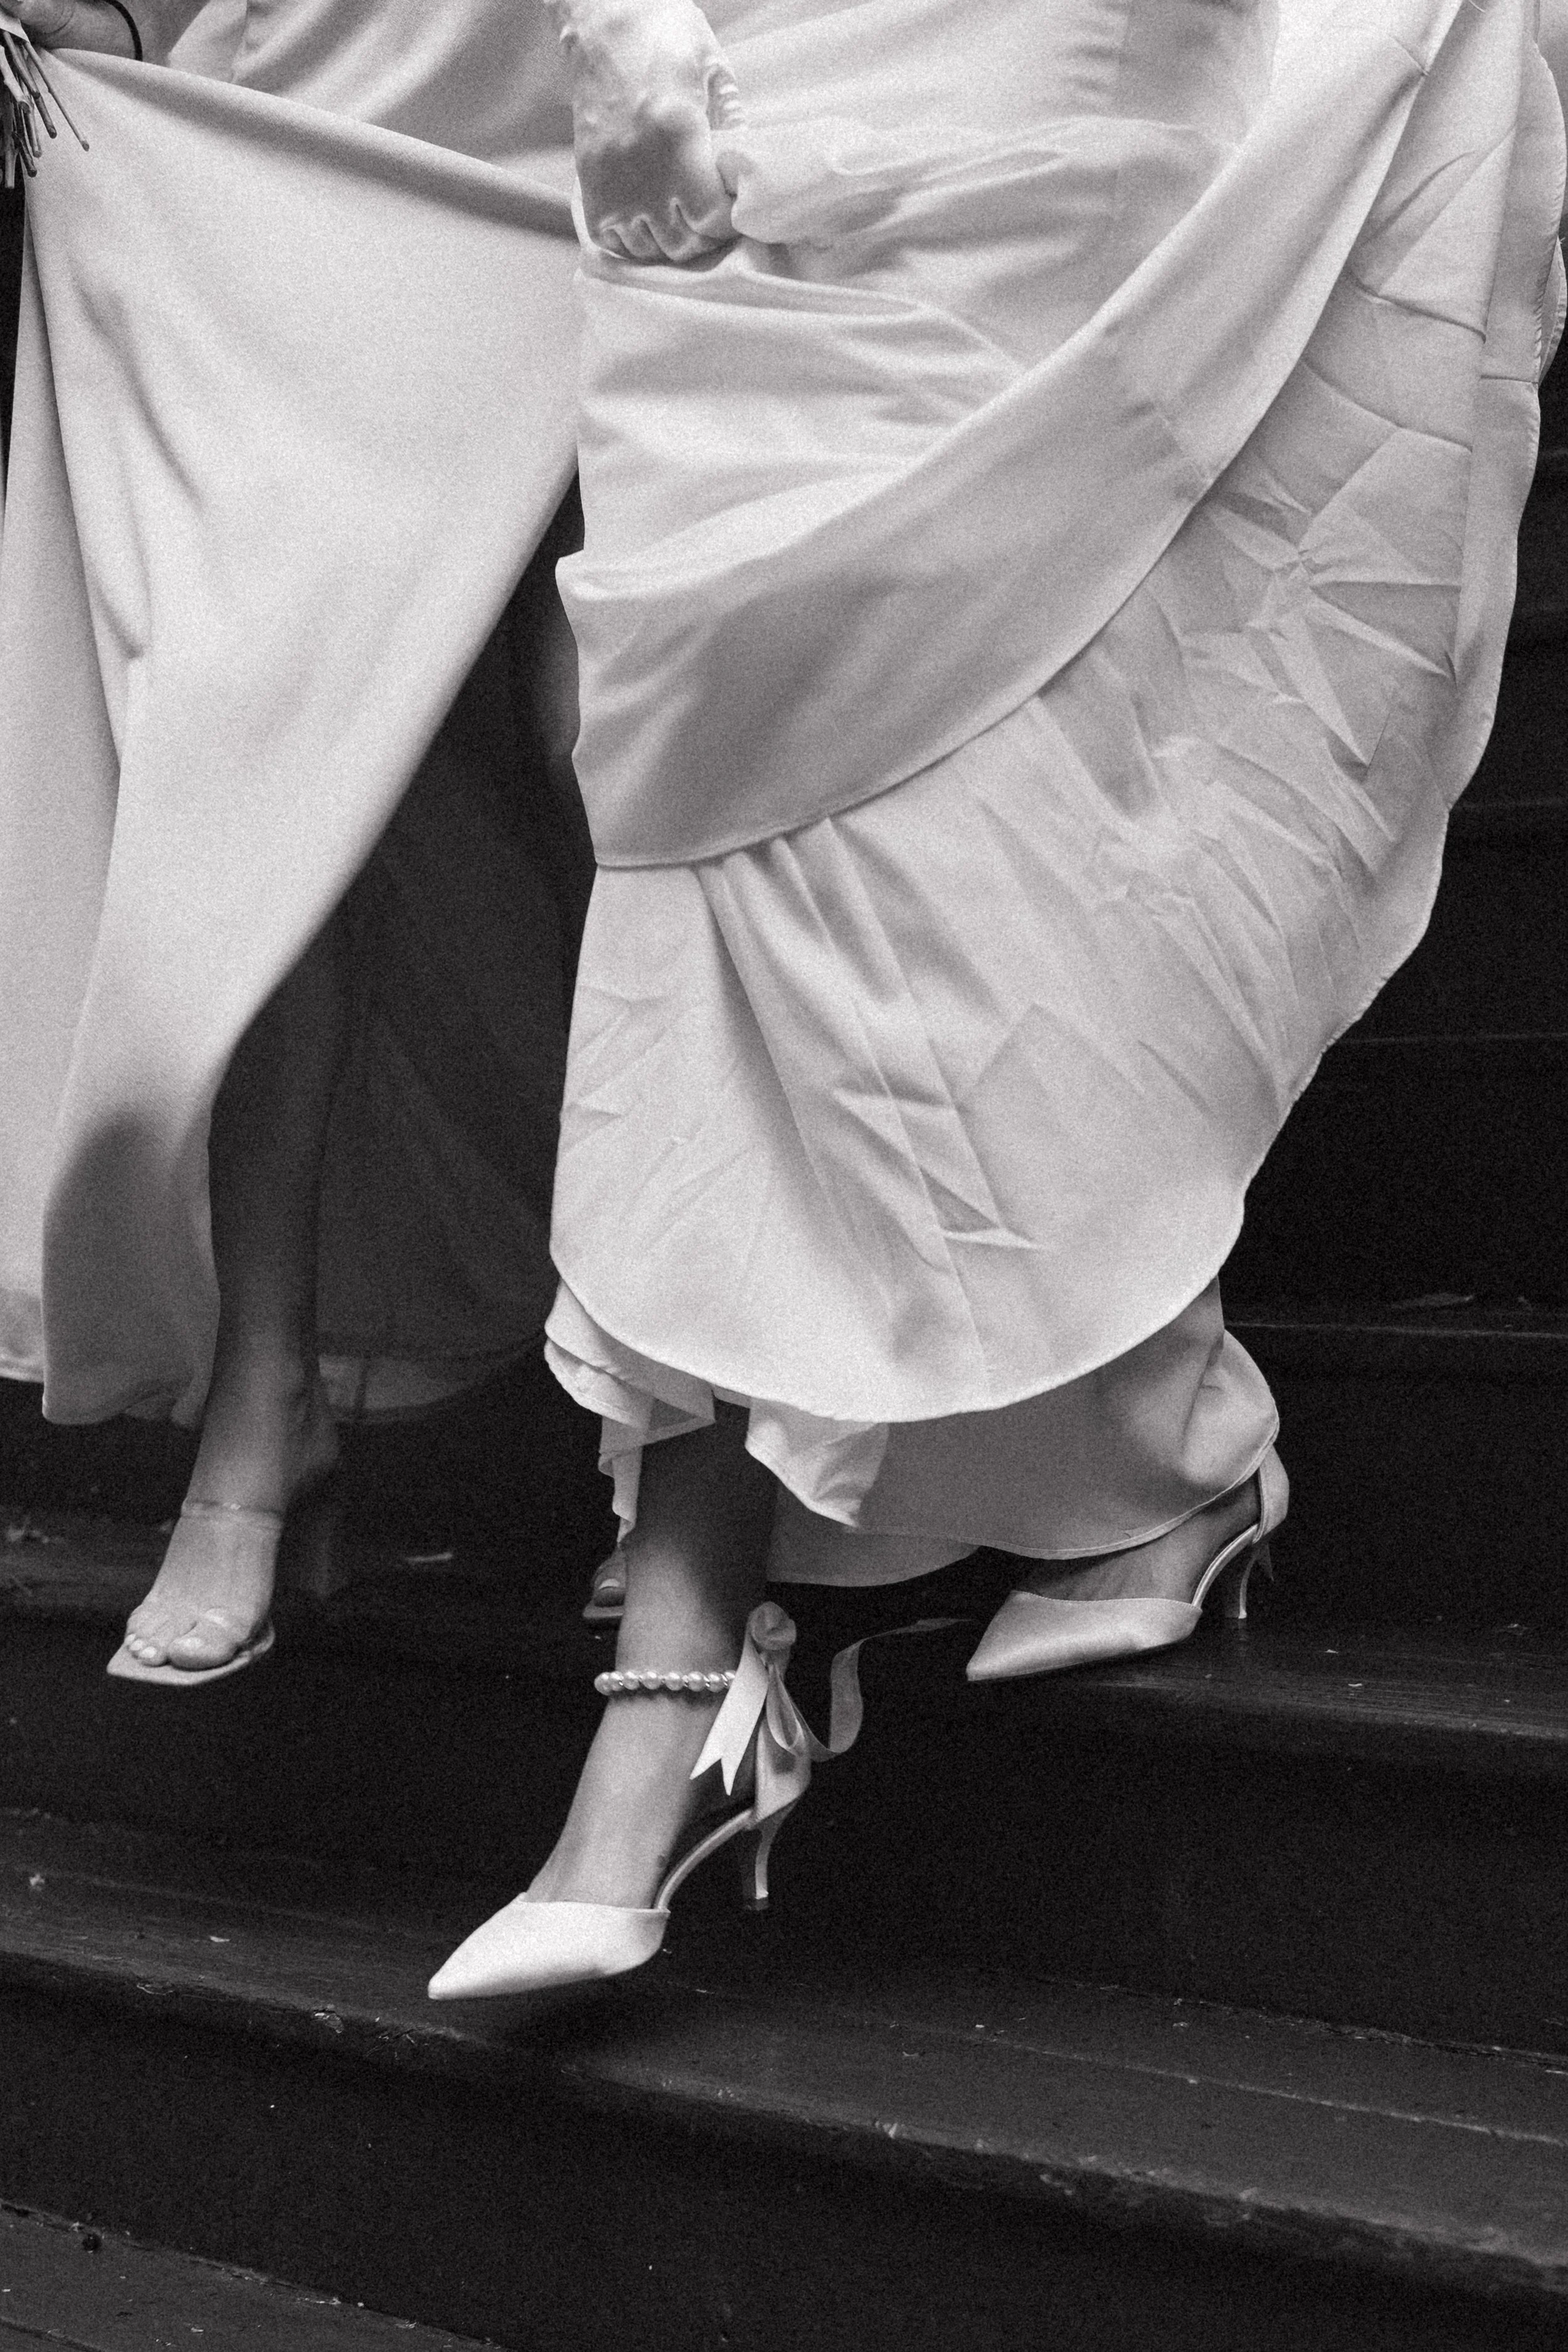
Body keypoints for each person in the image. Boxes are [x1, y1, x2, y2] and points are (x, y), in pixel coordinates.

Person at [428, 0, 1567, 2000]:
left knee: (929, 689)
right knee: (742, 723)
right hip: (720, 52)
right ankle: (1146, 1441)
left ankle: (685, 1680)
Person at [0, 0, 589, 1677]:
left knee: (592, 736)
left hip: (561, 98)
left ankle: (674, 1389)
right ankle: (261, 1397)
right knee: (255, 714)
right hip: (253, 115)